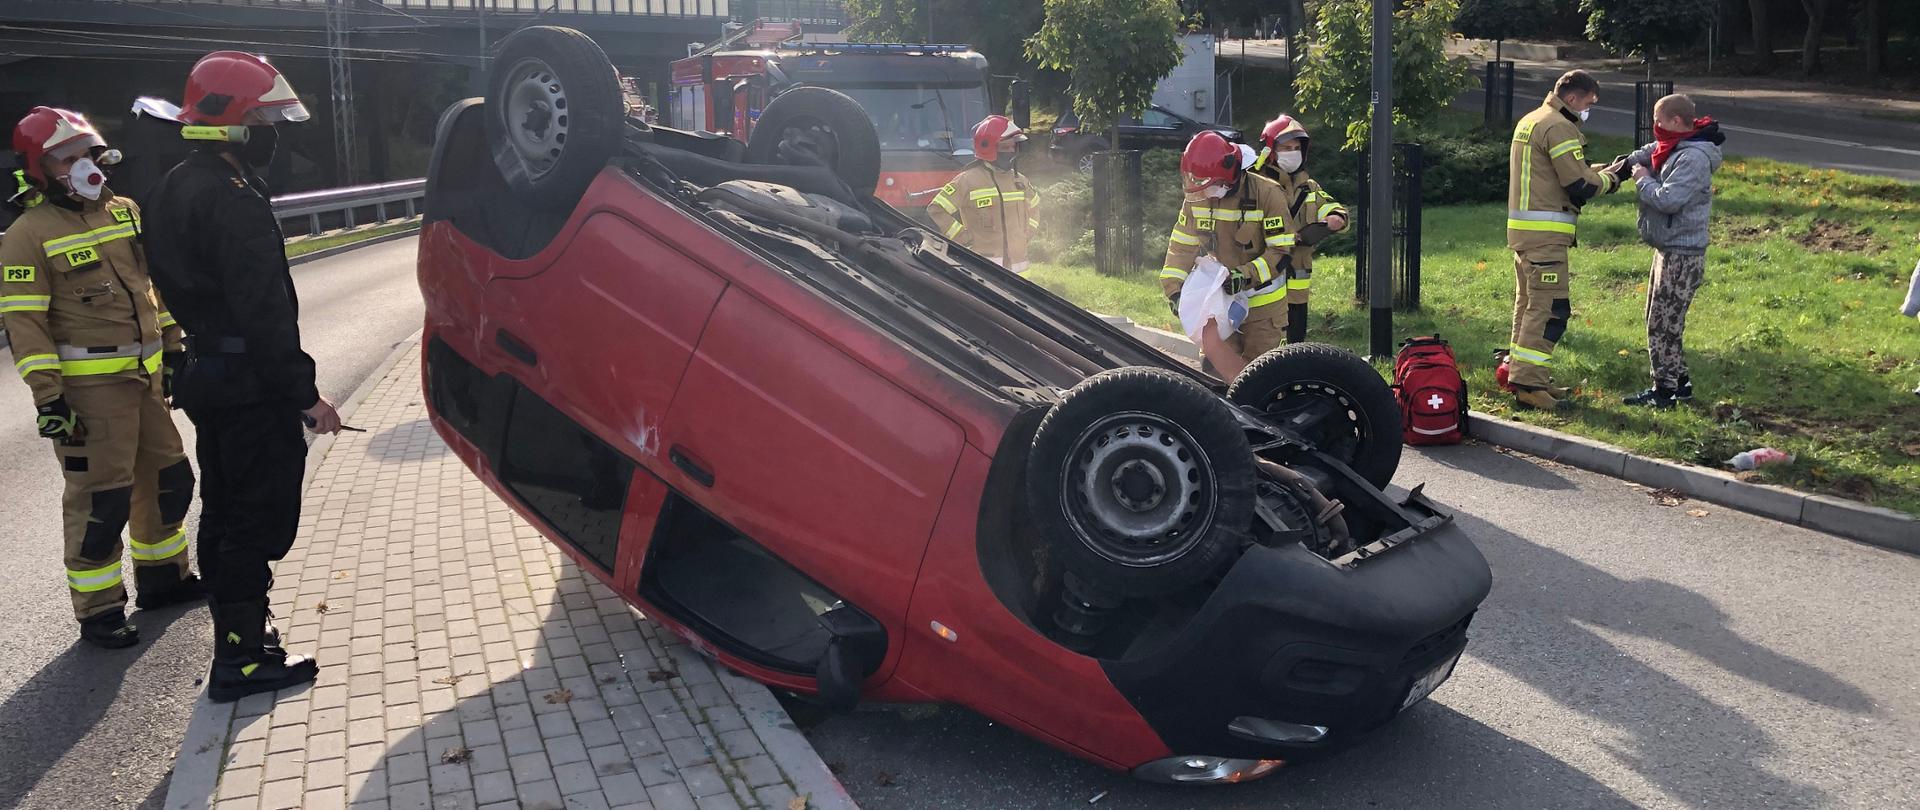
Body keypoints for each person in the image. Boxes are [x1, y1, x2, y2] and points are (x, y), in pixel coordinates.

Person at [142, 51, 336, 702]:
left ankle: (242, 639)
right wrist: (305, 395)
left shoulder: (173, 186)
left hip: (209, 370)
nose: (273, 134)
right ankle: (244, 661)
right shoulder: (233, 201)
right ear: (230, 125)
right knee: (256, 520)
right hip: (250, 384)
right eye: (264, 120)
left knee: (225, 512)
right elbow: (265, 313)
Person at [1, 106, 203, 648]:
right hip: (89, 395)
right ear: (41, 167)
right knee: (100, 502)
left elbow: (149, 290)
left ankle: (164, 579)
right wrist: (49, 398)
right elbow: (25, 324)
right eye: (70, 157)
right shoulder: (26, 234)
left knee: (168, 480)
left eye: (90, 153)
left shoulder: (124, 212)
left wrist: (176, 348)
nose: (87, 165)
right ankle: (98, 611)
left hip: (145, 380)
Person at [1502, 69, 1629, 410]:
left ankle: (1523, 376)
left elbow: (1565, 171)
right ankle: (1529, 385)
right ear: (1572, 98)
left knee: (1529, 307)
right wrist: (1616, 178)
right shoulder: (1560, 127)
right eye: (1589, 102)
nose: (1590, 108)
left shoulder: (1533, 119)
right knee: (1549, 311)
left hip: (1526, 233)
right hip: (1545, 238)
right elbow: (1581, 185)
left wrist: (1605, 168)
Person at [1161, 130, 1297, 375]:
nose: (1203, 192)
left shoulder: (1267, 194)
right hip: (1219, 304)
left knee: (1260, 378)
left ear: (1228, 177)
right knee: (1215, 373)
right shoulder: (1197, 197)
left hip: (1262, 306)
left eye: (1209, 185)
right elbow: (1181, 246)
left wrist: (1243, 276)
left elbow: (1281, 252)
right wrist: (1175, 290)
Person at [1620, 94, 1724, 409]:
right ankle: (1680, 384)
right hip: (1667, 248)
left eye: (1660, 121)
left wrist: (1641, 180)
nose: (1656, 128)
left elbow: (1668, 200)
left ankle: (1662, 394)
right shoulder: (1676, 144)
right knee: (1662, 319)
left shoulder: (1692, 157)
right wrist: (1622, 166)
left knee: (1662, 325)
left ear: (1677, 122)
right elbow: (1648, 153)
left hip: (1682, 253)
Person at [1250, 114, 1348, 344]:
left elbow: (1329, 206)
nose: (1292, 152)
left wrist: (1336, 217)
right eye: (1286, 147)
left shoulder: (1309, 186)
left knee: (1295, 345)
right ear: (1272, 150)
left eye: (1296, 147)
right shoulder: (1255, 183)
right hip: (1263, 281)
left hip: (1296, 289)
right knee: (1262, 343)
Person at [927, 115, 1041, 274]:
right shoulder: (967, 180)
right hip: (984, 270)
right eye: (1004, 147)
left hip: (1020, 269)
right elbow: (936, 208)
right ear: (989, 147)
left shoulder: (1020, 180)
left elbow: (1035, 206)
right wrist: (962, 237)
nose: (1010, 152)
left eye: (1012, 147)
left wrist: (1026, 234)